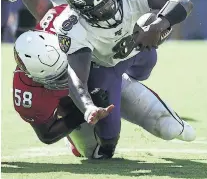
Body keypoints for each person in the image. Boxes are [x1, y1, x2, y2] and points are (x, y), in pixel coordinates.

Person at [51, 0, 193, 158]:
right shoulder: (72, 26)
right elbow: (76, 78)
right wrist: (88, 107)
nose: (108, 10)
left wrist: (157, 25)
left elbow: (183, 2)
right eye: (99, 9)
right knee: (107, 142)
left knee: (147, 65)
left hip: (140, 47)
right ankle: (116, 95)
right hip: (105, 66)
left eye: (109, 0)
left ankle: (125, 89)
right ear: (81, 9)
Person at [13, 28, 196, 159]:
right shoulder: (28, 93)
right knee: (93, 153)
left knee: (170, 128)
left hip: (104, 80)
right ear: (32, 76)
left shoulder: (72, 29)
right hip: (75, 110)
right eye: (58, 77)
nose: (67, 78)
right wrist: (84, 112)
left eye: (66, 69)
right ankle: (75, 140)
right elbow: (47, 134)